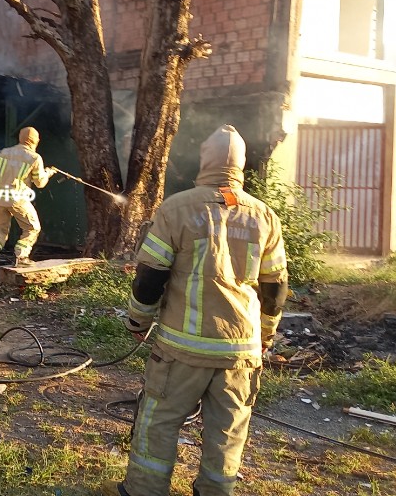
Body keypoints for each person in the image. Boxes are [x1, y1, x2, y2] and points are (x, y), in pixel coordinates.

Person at [106, 124, 289, 496]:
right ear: (241, 165)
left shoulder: (177, 208)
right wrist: (267, 334)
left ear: (204, 160)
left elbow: (150, 276)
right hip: (241, 350)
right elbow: (275, 287)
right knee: (228, 431)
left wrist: (137, 319)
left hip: (182, 351)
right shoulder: (264, 216)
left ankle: (142, 490)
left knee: (158, 421)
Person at [0, 126, 54, 268]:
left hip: (0, 198)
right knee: (32, 228)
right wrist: (48, 173)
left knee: (0, 229)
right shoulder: (34, 157)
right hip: (18, 199)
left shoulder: (5, 153)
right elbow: (40, 183)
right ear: (34, 141)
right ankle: (21, 256)